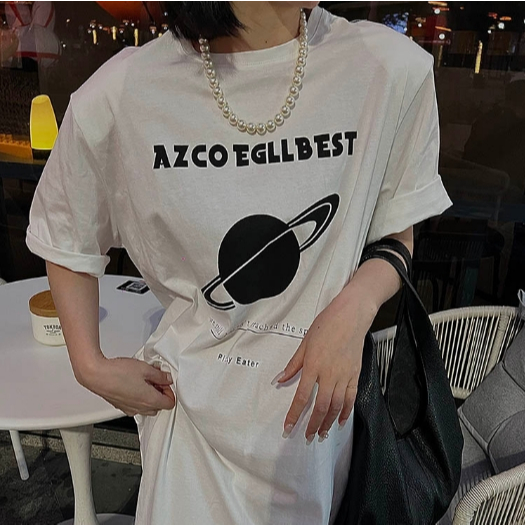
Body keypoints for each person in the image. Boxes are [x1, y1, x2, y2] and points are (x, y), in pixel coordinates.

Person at [26, 2, 452, 524]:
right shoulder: (124, 92)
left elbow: (396, 234)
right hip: (193, 429)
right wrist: (89, 364)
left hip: (320, 430)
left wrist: (355, 307)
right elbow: (66, 233)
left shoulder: (387, 69)